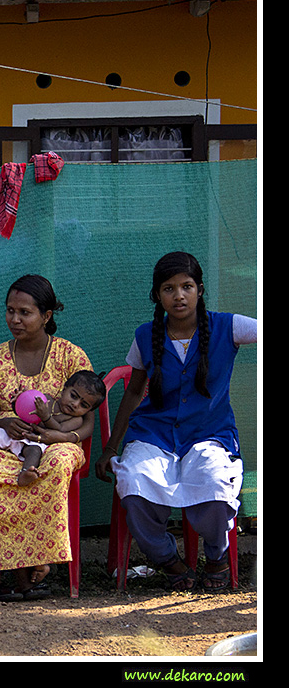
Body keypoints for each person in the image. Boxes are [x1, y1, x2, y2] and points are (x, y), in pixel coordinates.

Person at [95, 251, 257, 592]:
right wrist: (110, 447)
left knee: (215, 488)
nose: (179, 295)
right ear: (158, 296)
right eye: (169, 288)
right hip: (153, 435)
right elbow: (134, 392)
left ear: (199, 290)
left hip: (211, 435)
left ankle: (215, 557)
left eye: (186, 287)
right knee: (134, 486)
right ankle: (170, 561)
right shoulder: (145, 336)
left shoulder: (228, 326)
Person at [0, 274, 94, 601]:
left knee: (54, 467)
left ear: (46, 316)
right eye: (9, 311)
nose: (15, 319)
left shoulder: (71, 356)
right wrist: (6, 424)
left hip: (58, 444)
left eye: (25, 313)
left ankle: (38, 566)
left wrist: (66, 437)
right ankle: (7, 571)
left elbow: (88, 421)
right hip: (5, 443)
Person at [0, 370, 105, 487]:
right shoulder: (47, 400)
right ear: (64, 389)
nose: (75, 404)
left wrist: (46, 417)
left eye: (83, 405)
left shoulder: (75, 419)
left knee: (34, 453)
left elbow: (60, 429)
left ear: (89, 410)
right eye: (74, 396)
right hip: (17, 432)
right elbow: (26, 414)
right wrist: (18, 403)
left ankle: (25, 474)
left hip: (37, 442)